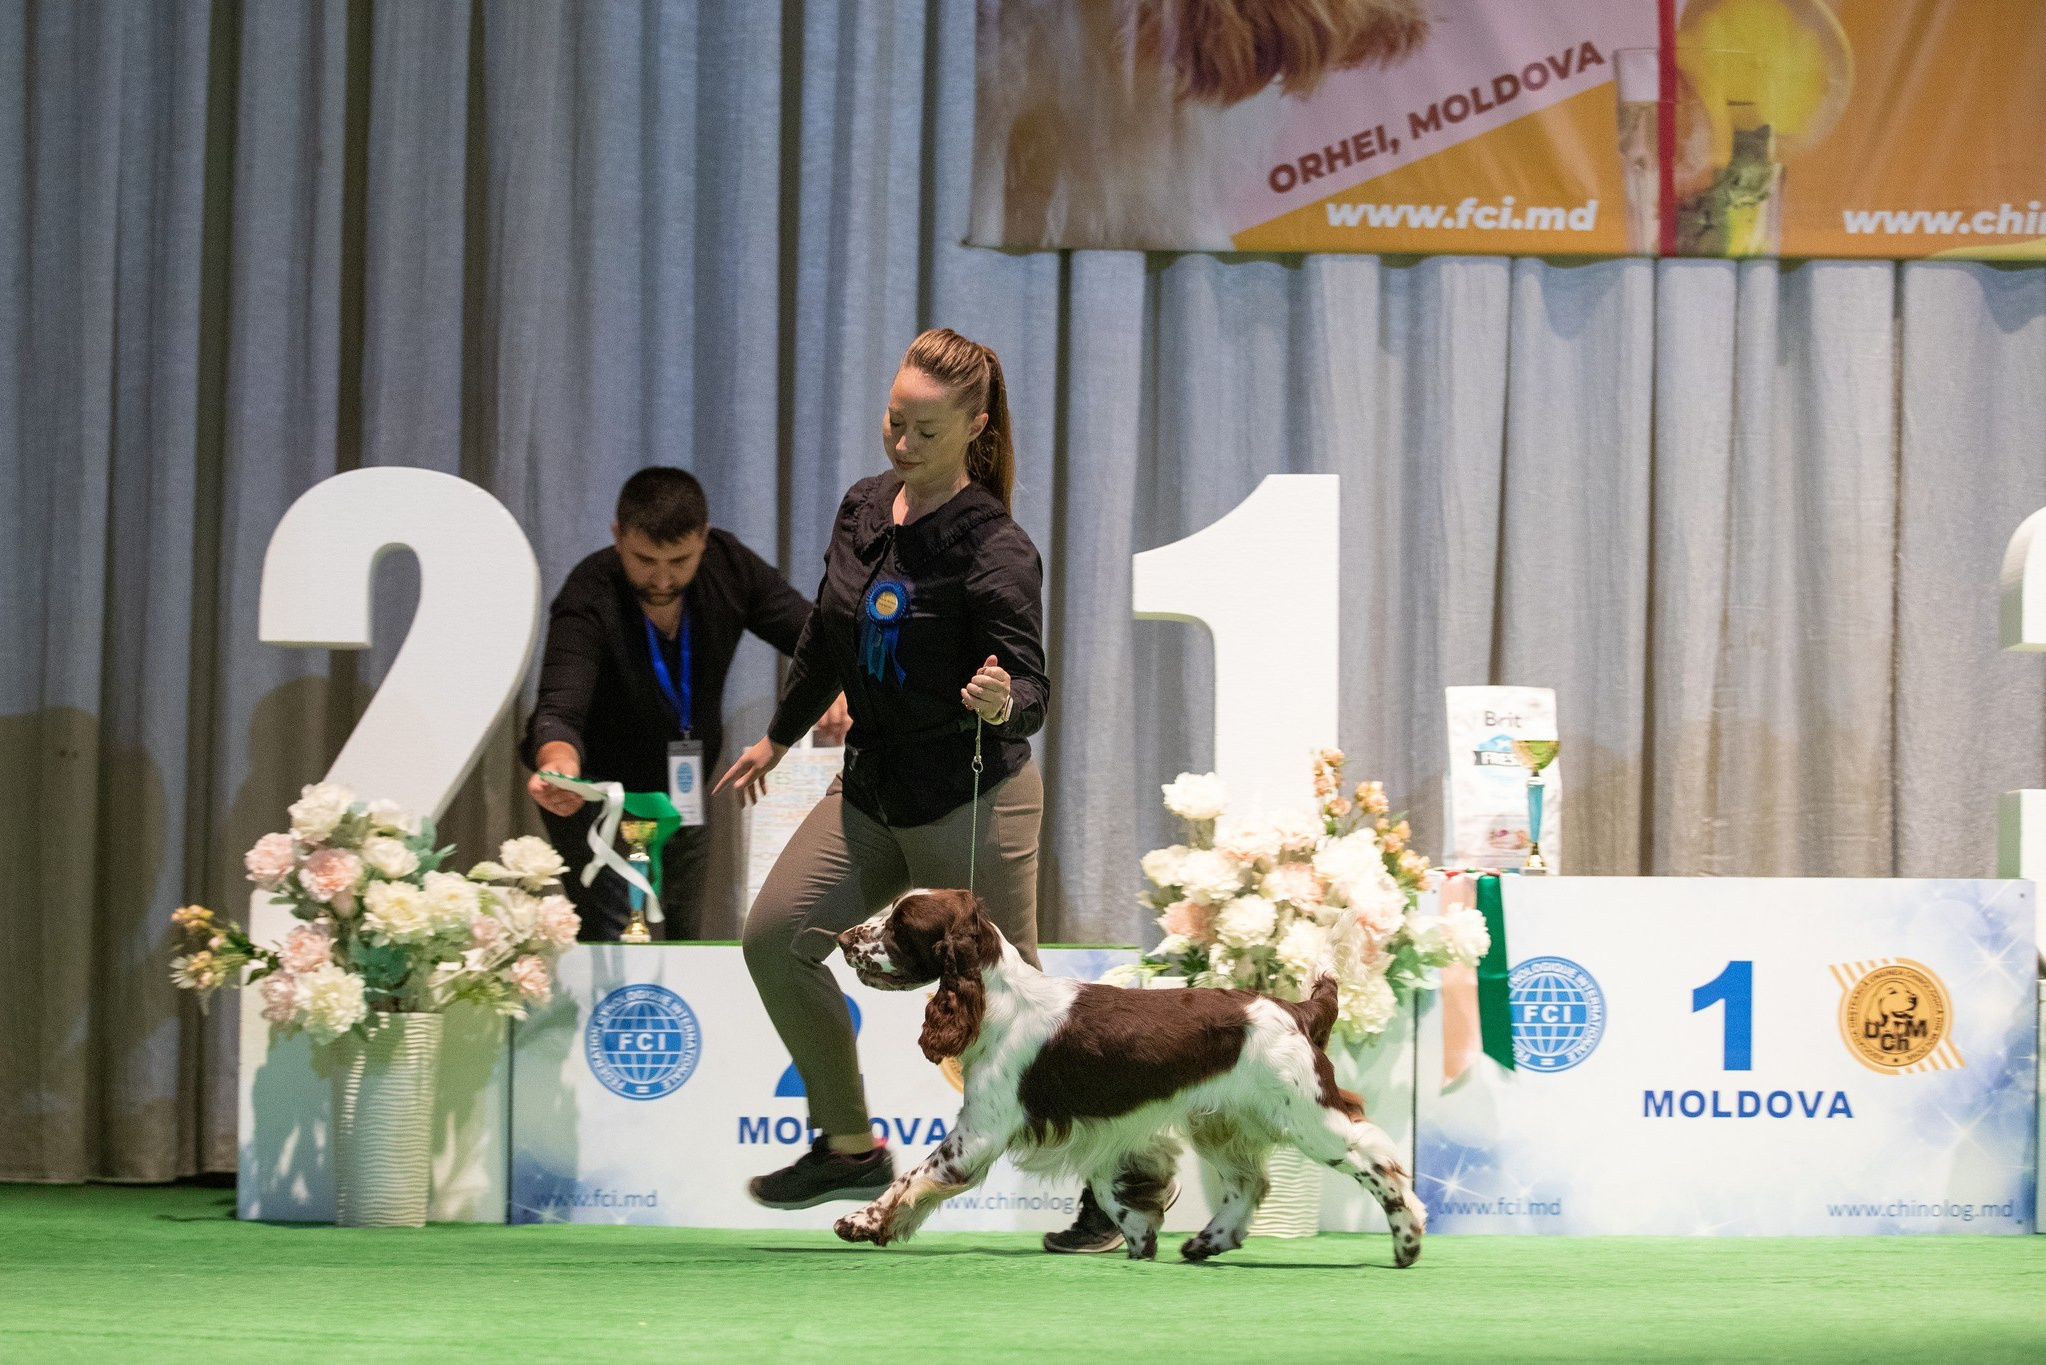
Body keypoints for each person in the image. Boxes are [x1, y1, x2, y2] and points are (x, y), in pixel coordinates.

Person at [717, 328, 1125, 1255]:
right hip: (870, 796)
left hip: (971, 806)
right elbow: (826, 636)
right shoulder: (864, 507)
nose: (900, 442)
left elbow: (1032, 690)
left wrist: (999, 701)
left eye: (924, 431)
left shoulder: (996, 547)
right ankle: (850, 1144)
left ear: (975, 428)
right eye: (894, 420)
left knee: (1015, 1024)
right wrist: (779, 736)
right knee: (776, 938)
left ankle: (1118, 1184)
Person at [522, 467, 848, 941]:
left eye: (679, 560)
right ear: (617, 537)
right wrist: (560, 768)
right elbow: (559, 706)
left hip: (687, 789)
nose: (662, 577)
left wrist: (834, 685)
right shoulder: (588, 593)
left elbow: (810, 633)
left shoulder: (729, 566)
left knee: (683, 933)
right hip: (599, 798)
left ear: (704, 537)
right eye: (645, 559)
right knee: (614, 934)